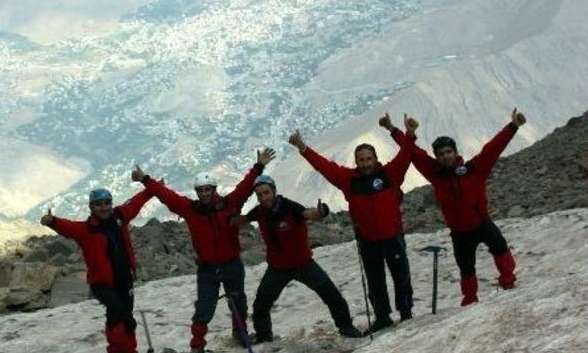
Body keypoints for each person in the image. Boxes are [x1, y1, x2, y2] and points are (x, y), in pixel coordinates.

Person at [131, 148, 276, 353]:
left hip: (232, 264)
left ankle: (241, 335)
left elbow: (245, 188)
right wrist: (145, 179)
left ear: (213, 189)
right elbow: (167, 196)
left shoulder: (230, 204)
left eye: (208, 189)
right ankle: (197, 346)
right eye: (201, 190)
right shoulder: (190, 209)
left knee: (239, 303)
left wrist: (259, 165)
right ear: (197, 192)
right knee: (204, 309)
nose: (204, 193)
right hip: (207, 269)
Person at [289, 114, 418, 335]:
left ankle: (406, 313)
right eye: (361, 160)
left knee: (401, 277)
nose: (365, 163)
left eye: (368, 159)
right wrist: (302, 147)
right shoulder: (349, 179)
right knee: (375, 282)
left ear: (375, 159)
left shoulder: (391, 173)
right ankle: (382, 317)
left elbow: (406, 154)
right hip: (368, 241)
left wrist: (409, 133)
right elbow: (325, 167)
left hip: (393, 237)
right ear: (356, 162)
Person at [380, 108, 525, 306]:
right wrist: (393, 129)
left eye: (448, 152)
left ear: (456, 152)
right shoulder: (435, 173)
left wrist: (513, 126)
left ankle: (508, 281)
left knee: (500, 248)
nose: (445, 156)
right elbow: (414, 154)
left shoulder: (475, 168)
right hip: (459, 232)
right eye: (441, 154)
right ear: (437, 157)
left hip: (482, 223)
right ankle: (470, 299)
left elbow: (494, 148)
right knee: (466, 268)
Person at [230, 174, 363, 343]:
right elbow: (244, 220)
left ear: (274, 191)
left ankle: (346, 327)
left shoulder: (290, 207)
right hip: (277, 267)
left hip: (303, 264)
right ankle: (264, 337)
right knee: (261, 305)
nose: (264, 198)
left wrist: (321, 212)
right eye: (260, 195)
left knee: (332, 295)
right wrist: (229, 220)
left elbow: (309, 214)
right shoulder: (259, 211)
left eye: (266, 193)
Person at [40, 186, 154, 353]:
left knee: (126, 318)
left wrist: (152, 186)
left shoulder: (120, 217)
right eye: (98, 204)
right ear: (91, 208)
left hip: (124, 279)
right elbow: (68, 227)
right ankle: (116, 349)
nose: (104, 207)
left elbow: (136, 203)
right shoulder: (86, 230)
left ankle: (129, 349)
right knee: (118, 312)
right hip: (102, 284)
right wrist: (52, 222)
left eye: (107, 202)